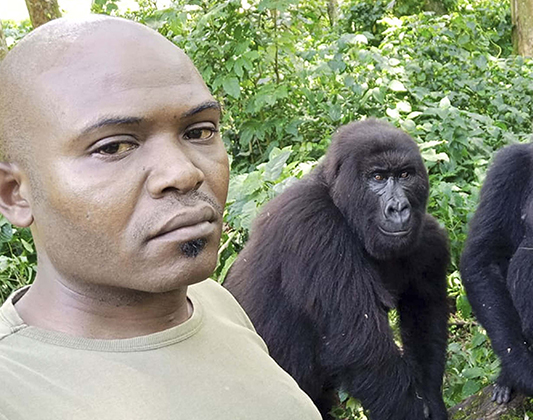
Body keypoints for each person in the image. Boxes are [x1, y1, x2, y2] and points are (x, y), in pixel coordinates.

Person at [0, 15, 322, 420]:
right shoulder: (14, 393)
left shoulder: (211, 301)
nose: (184, 172)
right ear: (14, 194)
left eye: (199, 131)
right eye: (114, 146)